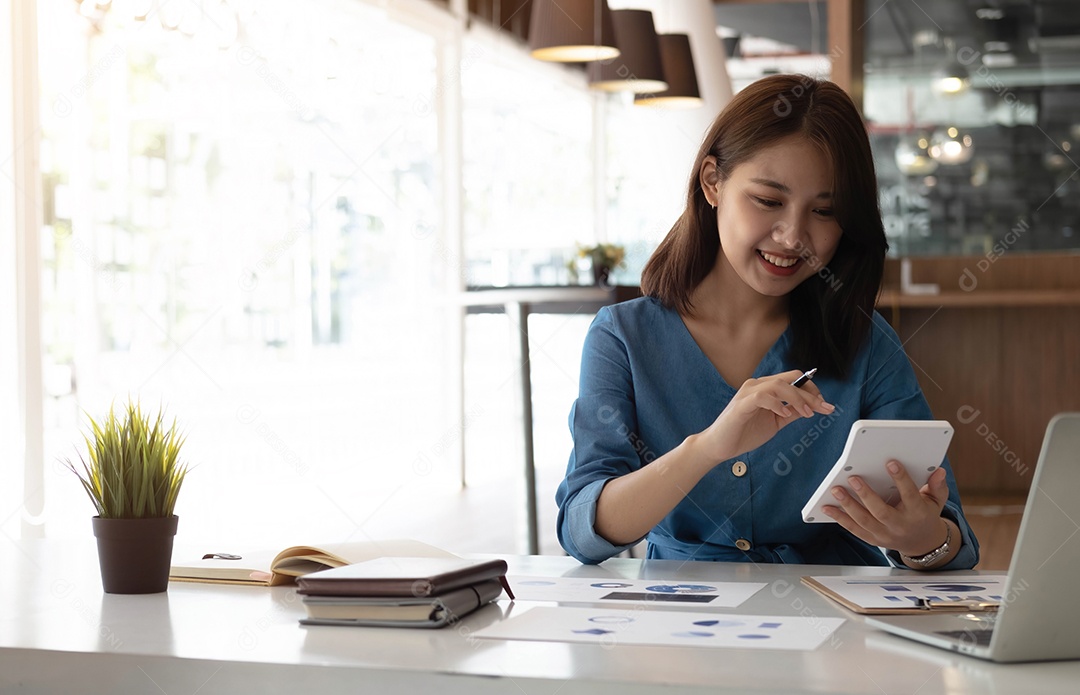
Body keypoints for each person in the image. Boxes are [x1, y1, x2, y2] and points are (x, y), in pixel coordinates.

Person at [555, 74, 979, 570]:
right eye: (769, 201)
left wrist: (923, 539)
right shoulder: (623, 338)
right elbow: (583, 533)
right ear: (712, 182)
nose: (793, 236)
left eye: (825, 210)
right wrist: (707, 448)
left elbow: (951, 538)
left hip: (833, 610)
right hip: (683, 610)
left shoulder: (866, 343)